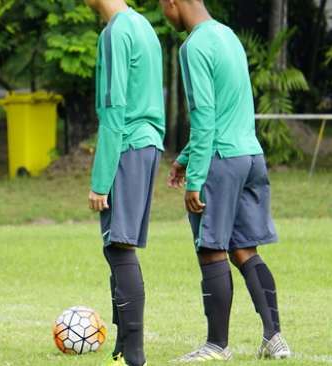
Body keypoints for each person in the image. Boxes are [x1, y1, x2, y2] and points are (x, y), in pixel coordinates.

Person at [159, 0, 292, 361]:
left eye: (162, 7)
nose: (164, 14)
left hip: (221, 161)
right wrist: (185, 159)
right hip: (250, 155)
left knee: (211, 248)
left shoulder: (193, 46)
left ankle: (217, 345)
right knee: (245, 248)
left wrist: (195, 178)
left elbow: (204, 116)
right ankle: (274, 337)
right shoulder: (228, 36)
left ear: (174, 3)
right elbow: (230, 109)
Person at [84, 0, 165, 365]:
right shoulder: (143, 25)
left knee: (119, 246)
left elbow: (114, 107)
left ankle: (134, 354)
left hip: (129, 143)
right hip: (147, 143)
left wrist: (100, 182)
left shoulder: (117, 31)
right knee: (117, 246)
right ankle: (122, 346)